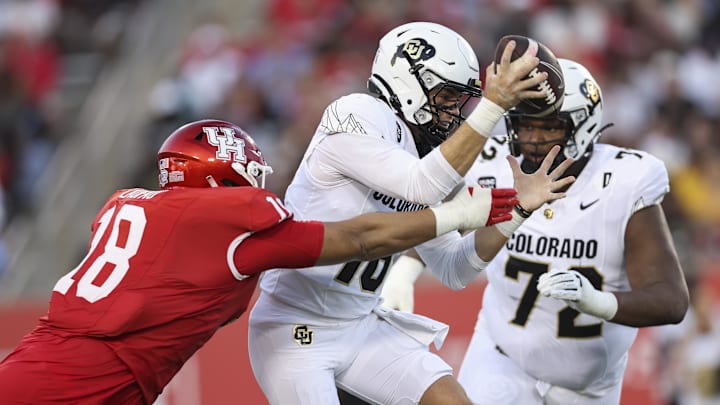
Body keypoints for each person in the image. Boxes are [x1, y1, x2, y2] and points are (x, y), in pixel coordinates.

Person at [0, 118, 525, 404]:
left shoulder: (127, 204)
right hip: (82, 382)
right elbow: (360, 237)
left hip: (45, 363)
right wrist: (454, 214)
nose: (257, 183)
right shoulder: (226, 217)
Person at [247, 21, 575, 405]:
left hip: (361, 323)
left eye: (460, 101)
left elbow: (455, 268)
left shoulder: (426, 157)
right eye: (447, 97)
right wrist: (494, 105)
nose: (453, 112)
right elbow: (421, 186)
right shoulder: (358, 112)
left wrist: (517, 211)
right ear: (406, 79)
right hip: (295, 325)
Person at [380, 59, 690, 404]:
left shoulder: (623, 182)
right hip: (500, 357)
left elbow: (671, 300)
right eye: (525, 126)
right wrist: (406, 271)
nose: (534, 139)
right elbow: (438, 216)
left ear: (583, 126)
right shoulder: (494, 163)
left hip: (587, 385)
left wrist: (596, 302)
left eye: (549, 127)